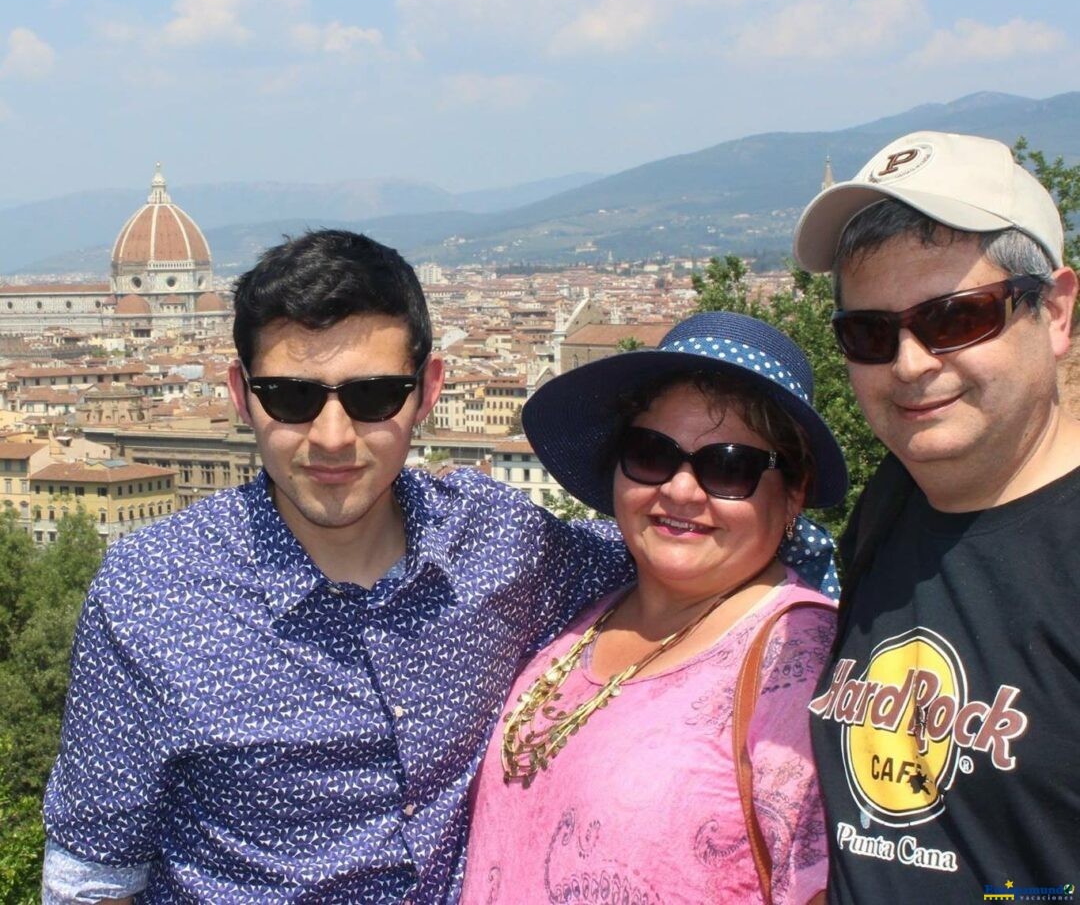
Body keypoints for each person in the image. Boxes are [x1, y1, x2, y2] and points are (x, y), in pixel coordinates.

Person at [42, 230, 641, 904]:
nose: (332, 437)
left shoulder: (502, 543)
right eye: (293, 398)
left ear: (428, 389)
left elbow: (677, 558)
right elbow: (93, 881)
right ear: (242, 394)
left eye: (374, 396)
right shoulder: (152, 593)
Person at [462, 311, 848, 904]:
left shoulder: (801, 664)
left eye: (729, 467)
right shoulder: (585, 616)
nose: (680, 490)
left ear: (794, 492)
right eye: (651, 454)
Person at [792, 131, 1080, 902]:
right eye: (871, 334)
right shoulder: (894, 500)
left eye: (954, 318)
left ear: (1054, 312)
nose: (911, 364)